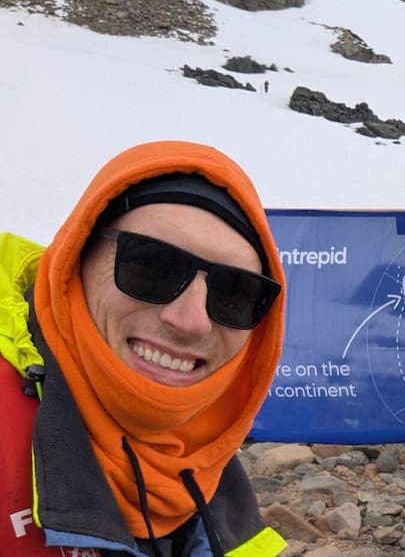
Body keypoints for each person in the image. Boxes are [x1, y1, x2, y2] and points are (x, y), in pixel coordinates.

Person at [1, 140, 288, 556]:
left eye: (234, 292)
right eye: (150, 265)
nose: (190, 320)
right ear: (74, 263)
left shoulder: (206, 458)